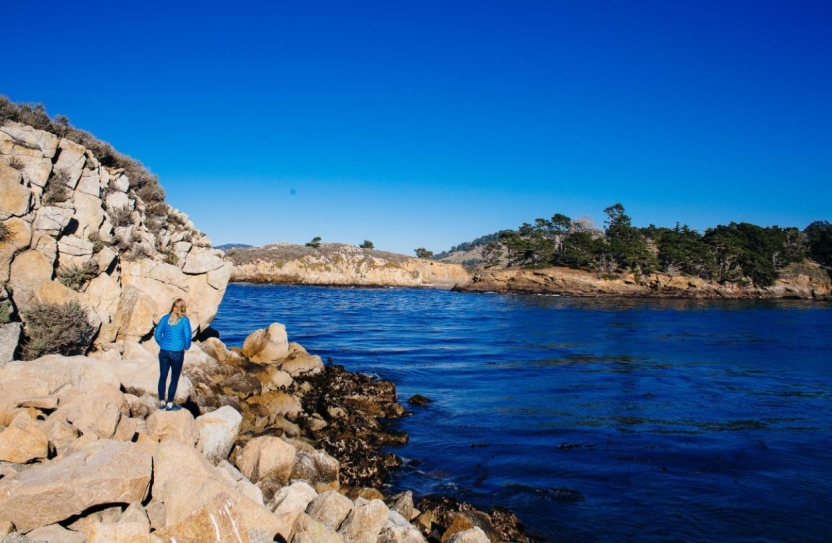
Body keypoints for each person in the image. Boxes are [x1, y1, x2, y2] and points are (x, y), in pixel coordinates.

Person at [154, 298, 192, 411]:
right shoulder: (184, 320)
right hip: (177, 353)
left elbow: (157, 334)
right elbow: (187, 336)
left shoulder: (165, 318)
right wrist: (186, 346)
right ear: (183, 309)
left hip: (164, 352)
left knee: (163, 376)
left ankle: (161, 402)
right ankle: (170, 404)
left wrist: (163, 344)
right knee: (174, 379)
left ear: (173, 306)